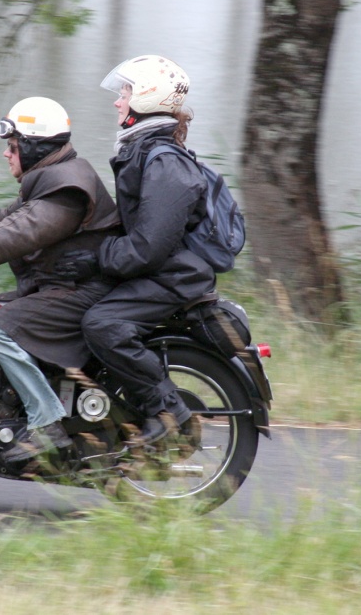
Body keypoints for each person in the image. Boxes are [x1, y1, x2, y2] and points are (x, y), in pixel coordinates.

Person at [0, 96, 120, 465]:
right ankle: (6, 406)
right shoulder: (52, 176)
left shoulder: (67, 187)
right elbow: (0, 221)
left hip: (79, 292)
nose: (7, 154)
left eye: (13, 146)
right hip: (61, 287)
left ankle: (47, 423)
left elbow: (21, 231)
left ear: (33, 146)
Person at [57, 55, 214, 445]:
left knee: (103, 324)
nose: (117, 100)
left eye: (125, 92)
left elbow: (147, 248)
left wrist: (98, 258)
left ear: (145, 98)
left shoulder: (165, 164)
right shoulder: (145, 150)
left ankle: (169, 412)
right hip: (160, 270)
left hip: (174, 278)